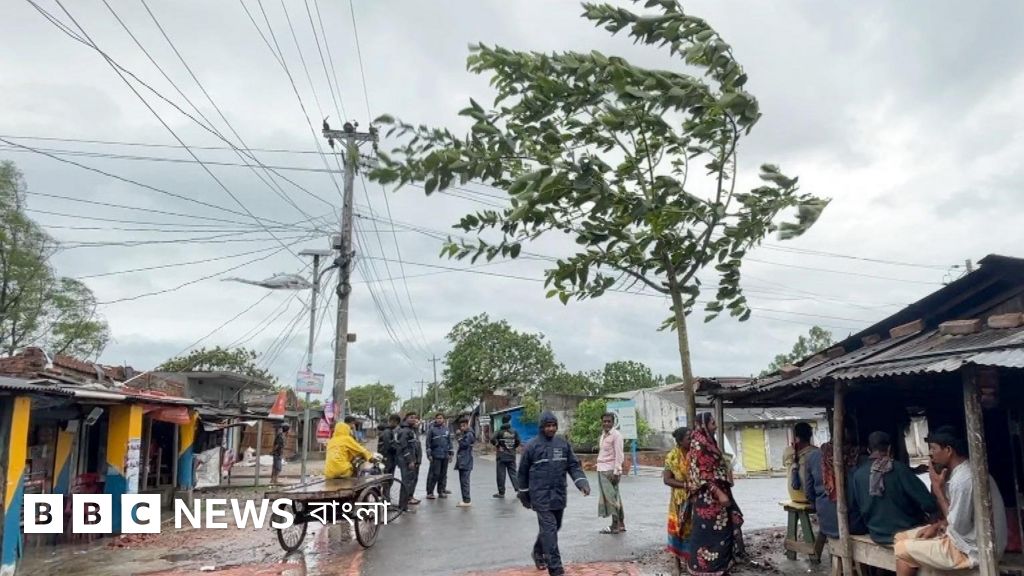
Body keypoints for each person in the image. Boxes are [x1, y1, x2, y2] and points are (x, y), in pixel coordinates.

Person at [894, 426, 1008, 575]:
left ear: (948, 450)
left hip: (973, 550)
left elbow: (959, 528)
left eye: (934, 448)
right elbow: (959, 518)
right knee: (900, 537)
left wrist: (938, 491)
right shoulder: (964, 471)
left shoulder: (963, 480)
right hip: (972, 539)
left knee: (902, 549)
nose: (930, 453)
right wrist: (937, 526)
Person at [518, 411, 591, 576]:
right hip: (540, 496)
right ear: (541, 427)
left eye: (553, 425)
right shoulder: (532, 446)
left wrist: (582, 483)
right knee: (550, 529)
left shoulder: (562, 444)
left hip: (558, 494)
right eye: (548, 426)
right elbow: (522, 472)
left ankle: (538, 551)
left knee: (555, 526)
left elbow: (573, 465)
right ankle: (556, 568)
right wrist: (523, 493)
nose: (551, 429)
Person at [849, 431, 938, 545]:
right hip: (907, 532)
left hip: (877, 534)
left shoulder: (858, 475)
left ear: (868, 450)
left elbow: (856, 509)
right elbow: (928, 502)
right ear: (889, 448)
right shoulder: (899, 469)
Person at [687, 413, 744, 576]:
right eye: (712, 423)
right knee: (711, 536)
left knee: (722, 533)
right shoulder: (699, 445)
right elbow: (703, 474)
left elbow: (718, 467)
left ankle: (720, 568)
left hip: (717, 500)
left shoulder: (710, 443)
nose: (716, 426)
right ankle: (708, 570)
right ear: (703, 425)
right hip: (709, 500)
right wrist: (719, 493)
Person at [806, 423, 866, 539]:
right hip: (854, 525)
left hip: (826, 523)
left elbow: (809, 494)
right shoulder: (859, 458)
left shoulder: (812, 457)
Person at [664, 427, 692, 569]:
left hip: (694, 497)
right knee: (677, 528)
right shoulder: (672, 457)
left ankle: (689, 561)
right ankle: (677, 563)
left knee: (691, 529)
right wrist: (685, 485)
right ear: (680, 441)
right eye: (688, 438)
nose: (692, 440)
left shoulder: (696, 455)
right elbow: (667, 480)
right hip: (678, 500)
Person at [597, 412, 626, 534]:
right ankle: (621, 524)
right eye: (604, 421)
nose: (606, 423)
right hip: (602, 469)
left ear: (613, 422)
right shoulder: (603, 435)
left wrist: (617, 472)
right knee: (615, 496)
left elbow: (619, 455)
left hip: (610, 471)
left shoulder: (616, 435)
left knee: (611, 498)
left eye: (609, 421)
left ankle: (615, 525)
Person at [783, 422, 819, 505]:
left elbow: (784, 464)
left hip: (793, 496)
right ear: (810, 435)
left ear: (795, 436)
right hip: (810, 497)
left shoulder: (787, 451)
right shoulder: (816, 452)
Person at [395, 412, 423, 514]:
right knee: (406, 483)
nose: (414, 419)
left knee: (409, 482)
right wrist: (410, 460)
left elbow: (415, 446)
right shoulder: (404, 431)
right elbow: (404, 447)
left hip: (411, 460)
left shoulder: (411, 430)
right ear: (406, 419)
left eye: (415, 418)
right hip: (406, 461)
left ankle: (404, 505)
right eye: (411, 418)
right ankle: (402, 507)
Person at [492, 414, 521, 498]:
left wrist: (498, 446)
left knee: (501, 474)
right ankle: (519, 491)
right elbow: (518, 441)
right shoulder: (514, 431)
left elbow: (492, 439)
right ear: (509, 421)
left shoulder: (499, 432)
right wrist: (513, 448)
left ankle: (501, 493)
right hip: (511, 455)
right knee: (513, 473)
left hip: (501, 456)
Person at [425, 412, 453, 500]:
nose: (439, 420)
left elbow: (449, 442)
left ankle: (441, 491)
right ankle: (430, 492)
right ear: (435, 419)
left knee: (443, 474)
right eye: (438, 418)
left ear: (443, 419)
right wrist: (429, 455)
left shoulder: (446, 429)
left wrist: (451, 454)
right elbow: (428, 443)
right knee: (434, 474)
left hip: (445, 455)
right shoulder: (432, 430)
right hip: (435, 455)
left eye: (441, 418)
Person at [454, 418, 476, 507]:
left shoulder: (469, 434)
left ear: (467, 425)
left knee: (464, 481)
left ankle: (467, 500)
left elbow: (464, 445)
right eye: (461, 426)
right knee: (463, 481)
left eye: (464, 426)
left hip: (466, 461)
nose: (462, 428)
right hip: (464, 460)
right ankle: (465, 499)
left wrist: (459, 437)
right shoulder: (466, 434)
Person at [379, 414, 401, 495]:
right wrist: (397, 447)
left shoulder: (388, 431)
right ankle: (385, 498)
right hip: (387, 459)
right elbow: (388, 446)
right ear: (393, 421)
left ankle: (385, 497)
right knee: (387, 480)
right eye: (396, 423)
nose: (396, 426)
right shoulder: (387, 432)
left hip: (388, 458)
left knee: (388, 480)